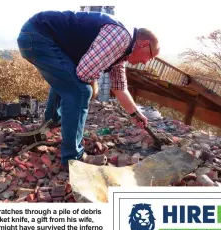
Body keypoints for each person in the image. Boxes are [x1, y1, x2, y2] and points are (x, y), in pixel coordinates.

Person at [17, 10, 160, 170]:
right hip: (38, 36)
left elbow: (120, 88)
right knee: (81, 91)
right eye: (150, 56)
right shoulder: (121, 36)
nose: (146, 62)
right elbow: (85, 73)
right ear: (144, 44)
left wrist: (135, 113)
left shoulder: (121, 53)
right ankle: (73, 158)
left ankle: (51, 126)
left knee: (67, 81)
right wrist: (93, 87)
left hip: (34, 35)